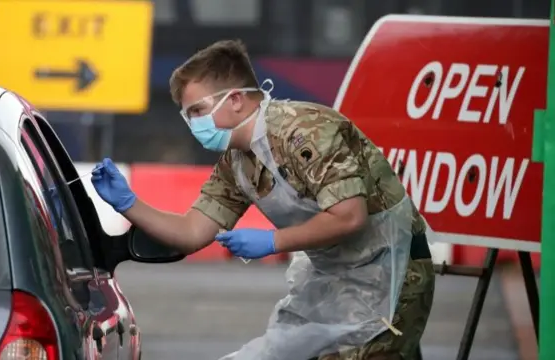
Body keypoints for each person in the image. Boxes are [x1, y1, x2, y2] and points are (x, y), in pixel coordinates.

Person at [90, 39, 435, 360]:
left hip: (391, 277)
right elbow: (192, 231)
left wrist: (274, 240)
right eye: (188, 114)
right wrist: (128, 204)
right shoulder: (237, 162)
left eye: (197, 110)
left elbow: (349, 216)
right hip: (334, 281)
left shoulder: (303, 130)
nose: (192, 124)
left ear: (236, 100)